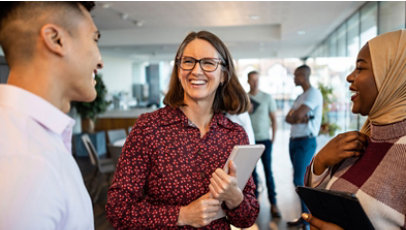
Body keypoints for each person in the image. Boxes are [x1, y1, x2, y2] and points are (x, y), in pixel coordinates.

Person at [106, 31, 259, 229]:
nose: (196, 71)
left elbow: (247, 218)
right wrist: (182, 215)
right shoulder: (149, 128)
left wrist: (235, 198)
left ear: (223, 75)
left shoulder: (235, 134)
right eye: (188, 61)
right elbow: (118, 209)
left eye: (208, 63)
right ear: (179, 71)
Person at [0, 2, 103, 229]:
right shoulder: (25, 161)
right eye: (95, 39)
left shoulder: (32, 140)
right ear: (56, 40)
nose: (100, 60)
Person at [301, 29, 406, 230]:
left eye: (360, 68)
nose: (350, 77)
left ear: (392, 75)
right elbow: (325, 199)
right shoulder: (363, 138)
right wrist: (321, 162)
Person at [285, 64, 323, 227]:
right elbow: (288, 118)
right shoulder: (300, 96)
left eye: (296, 75)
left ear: (304, 76)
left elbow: (296, 115)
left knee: (300, 179)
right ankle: (304, 216)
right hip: (294, 140)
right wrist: (298, 118)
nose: (294, 78)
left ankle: (310, 220)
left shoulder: (313, 94)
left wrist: (297, 117)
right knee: (299, 180)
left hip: (305, 142)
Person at [247, 70, 281, 218]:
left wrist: (273, 138)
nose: (255, 82)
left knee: (268, 172)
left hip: (265, 140)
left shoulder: (267, 98)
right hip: (249, 142)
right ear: (248, 81)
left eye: (257, 80)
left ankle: (273, 204)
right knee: (252, 175)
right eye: (252, 80)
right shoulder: (244, 98)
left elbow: (274, 119)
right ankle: (254, 206)